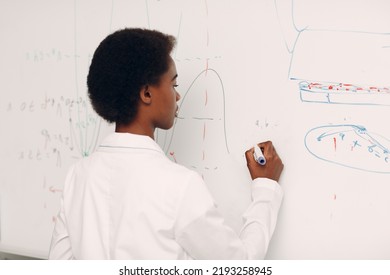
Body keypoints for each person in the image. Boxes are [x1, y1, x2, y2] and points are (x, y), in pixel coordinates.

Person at [49, 28, 284, 260]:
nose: (177, 96)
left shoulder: (77, 177)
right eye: (174, 85)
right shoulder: (179, 186)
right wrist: (265, 188)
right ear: (147, 94)